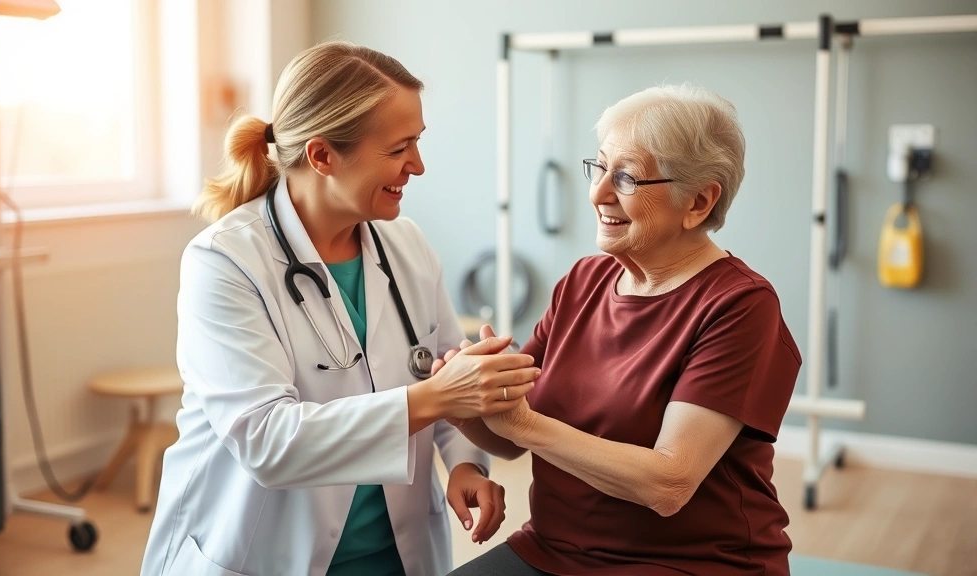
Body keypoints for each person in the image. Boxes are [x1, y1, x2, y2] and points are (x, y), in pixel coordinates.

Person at [139, 41, 541, 576]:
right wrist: (440, 394)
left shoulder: (407, 245)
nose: (417, 166)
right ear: (322, 155)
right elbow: (267, 441)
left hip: (395, 555)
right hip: (265, 554)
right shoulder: (224, 262)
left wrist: (465, 462)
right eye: (399, 148)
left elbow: (444, 369)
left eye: (417, 143)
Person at [446, 84, 802, 576]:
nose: (597, 194)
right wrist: (465, 400)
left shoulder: (740, 305)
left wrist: (522, 423)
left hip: (692, 563)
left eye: (628, 178)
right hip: (554, 551)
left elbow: (669, 484)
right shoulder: (583, 281)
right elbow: (512, 438)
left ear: (698, 201)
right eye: (599, 167)